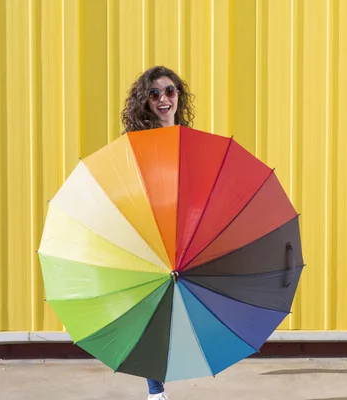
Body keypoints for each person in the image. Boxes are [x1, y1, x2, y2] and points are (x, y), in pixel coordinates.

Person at [120, 65, 195, 400]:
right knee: (151, 309)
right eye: (154, 94)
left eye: (169, 91)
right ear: (145, 102)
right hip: (150, 230)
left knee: (175, 308)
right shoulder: (137, 142)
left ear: (179, 95)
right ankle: (155, 390)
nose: (163, 99)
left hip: (182, 229)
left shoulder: (189, 140)